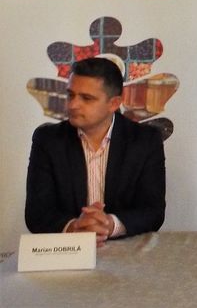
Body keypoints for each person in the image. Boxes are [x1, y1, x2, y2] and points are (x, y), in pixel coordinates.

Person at [25, 57, 166, 243]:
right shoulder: (48, 140)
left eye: (86, 98)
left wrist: (110, 224)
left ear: (114, 103)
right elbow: (37, 213)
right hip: (67, 249)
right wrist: (74, 227)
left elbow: (153, 211)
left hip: (126, 251)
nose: (73, 105)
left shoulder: (144, 140)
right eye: (71, 95)